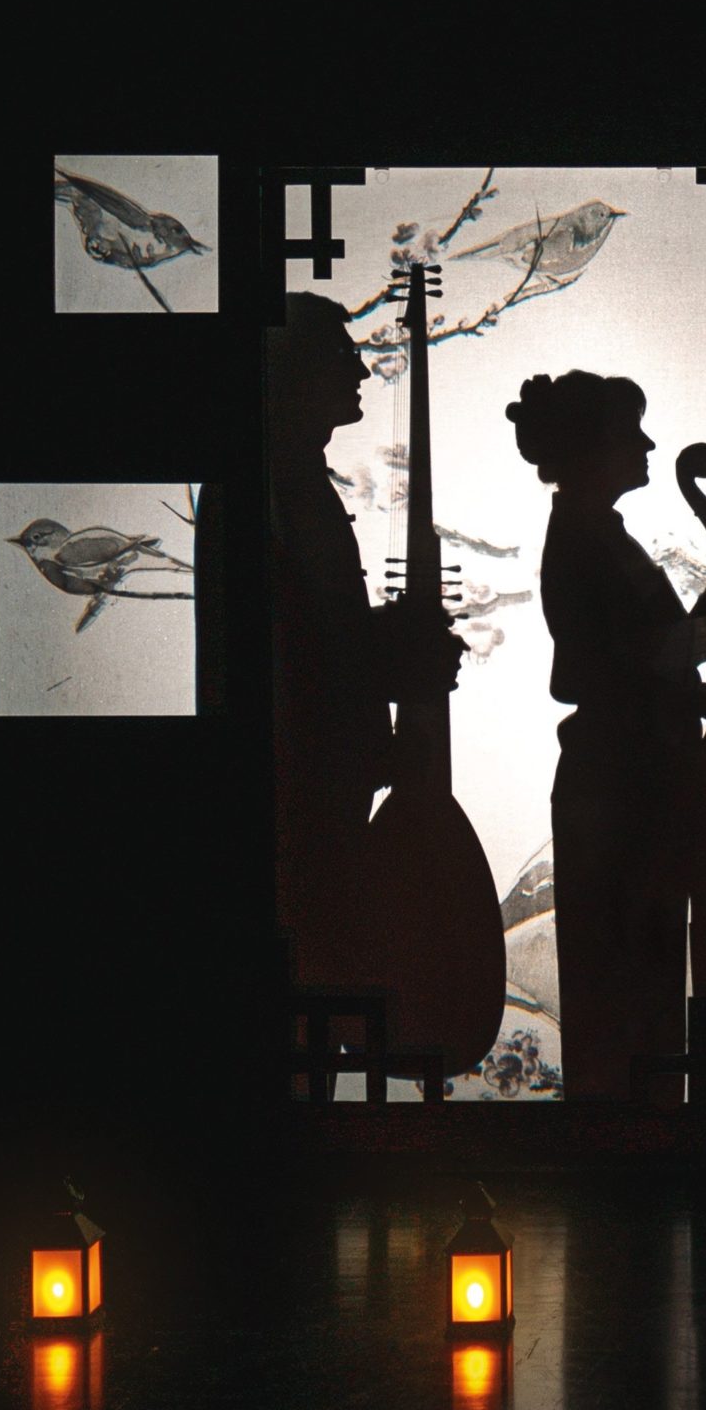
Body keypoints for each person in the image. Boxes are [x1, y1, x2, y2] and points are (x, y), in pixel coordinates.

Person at [512, 371, 706, 1102]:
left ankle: (637, 1128)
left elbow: (639, 662)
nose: (649, 446)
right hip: (620, 785)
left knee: (640, 979)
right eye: (632, 433)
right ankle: (628, 1136)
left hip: (634, 776)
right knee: (625, 984)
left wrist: (703, 664)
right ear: (595, 447)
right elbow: (611, 666)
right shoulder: (586, 540)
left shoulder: (598, 534)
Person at [267, 291, 463, 990]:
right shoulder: (279, 490)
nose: (359, 371)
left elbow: (320, 633)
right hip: (303, 804)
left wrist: (390, 642)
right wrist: (393, 652)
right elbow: (298, 654)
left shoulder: (295, 483)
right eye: (340, 356)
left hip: (323, 792)